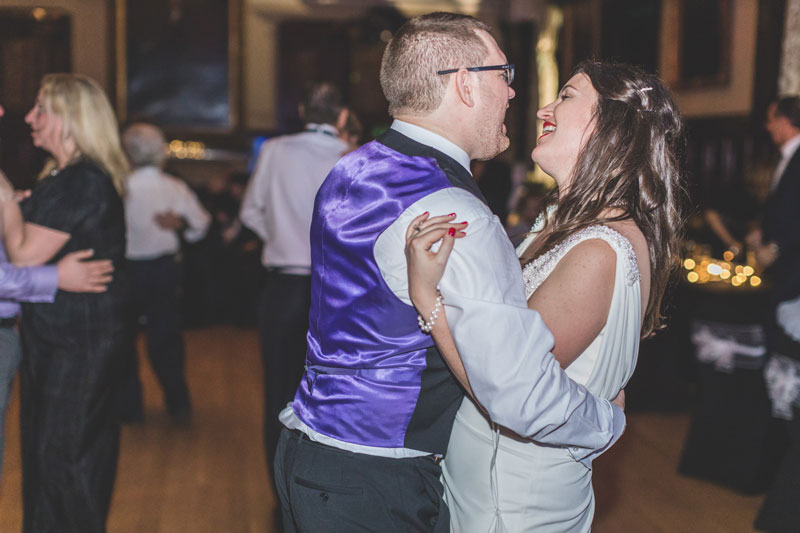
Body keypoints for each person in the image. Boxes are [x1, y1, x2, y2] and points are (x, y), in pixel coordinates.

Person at [273, 13, 625, 532]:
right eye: (503, 74)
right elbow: (517, 391)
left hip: (308, 448)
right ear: (464, 83)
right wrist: (607, 421)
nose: (511, 93)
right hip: (375, 480)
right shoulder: (452, 213)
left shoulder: (355, 167)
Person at [405, 60, 685, 530]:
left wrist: (426, 297)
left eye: (567, 96)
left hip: (511, 505)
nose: (542, 110)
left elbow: (511, 388)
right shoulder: (565, 222)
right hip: (485, 488)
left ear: (612, 126)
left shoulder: (600, 248)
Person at [2, 73, 131, 532]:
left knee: (65, 460)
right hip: (64, 339)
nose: (29, 118)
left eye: (41, 109)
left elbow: (20, 254)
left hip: (77, 343)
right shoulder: (64, 178)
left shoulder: (81, 181)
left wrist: (2, 192)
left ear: (70, 120)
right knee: (52, 456)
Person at [239, 82, 349, 486]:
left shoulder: (274, 150)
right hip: (337, 293)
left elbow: (250, 212)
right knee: (332, 394)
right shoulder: (349, 155)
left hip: (283, 287)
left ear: (303, 111)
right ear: (340, 117)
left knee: (277, 391)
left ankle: (278, 490)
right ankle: (321, 488)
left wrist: (280, 235)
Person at [119, 122, 210, 425]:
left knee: (123, 341)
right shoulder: (173, 186)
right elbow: (201, 225)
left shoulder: (120, 186)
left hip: (125, 271)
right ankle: (178, 404)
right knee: (166, 340)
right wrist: (182, 225)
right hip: (163, 271)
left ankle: (130, 409)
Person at [752, 95, 800, 533]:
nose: (768, 127)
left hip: (793, 282)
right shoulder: (787, 158)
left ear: (784, 120)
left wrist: (776, 248)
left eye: (770, 119)